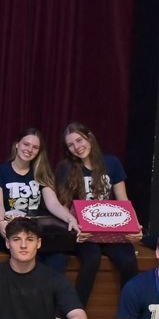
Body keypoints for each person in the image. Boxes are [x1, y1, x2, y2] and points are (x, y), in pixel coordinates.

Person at [50, 121, 140, 305]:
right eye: (71, 145)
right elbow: (64, 205)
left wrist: (134, 227)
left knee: (129, 262)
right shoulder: (65, 167)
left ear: (89, 137)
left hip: (111, 230)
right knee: (92, 260)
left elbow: (123, 200)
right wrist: (74, 227)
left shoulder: (111, 163)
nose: (77, 147)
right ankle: (75, 311)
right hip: (84, 232)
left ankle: (129, 312)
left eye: (79, 140)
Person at [0, 127, 70, 266]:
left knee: (59, 258)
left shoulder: (41, 172)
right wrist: (1, 222)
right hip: (10, 228)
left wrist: (70, 219)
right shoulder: (0, 171)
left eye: (35, 147)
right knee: (32, 257)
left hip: (35, 230)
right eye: (26, 144)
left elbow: (53, 204)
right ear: (17, 144)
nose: (30, 149)